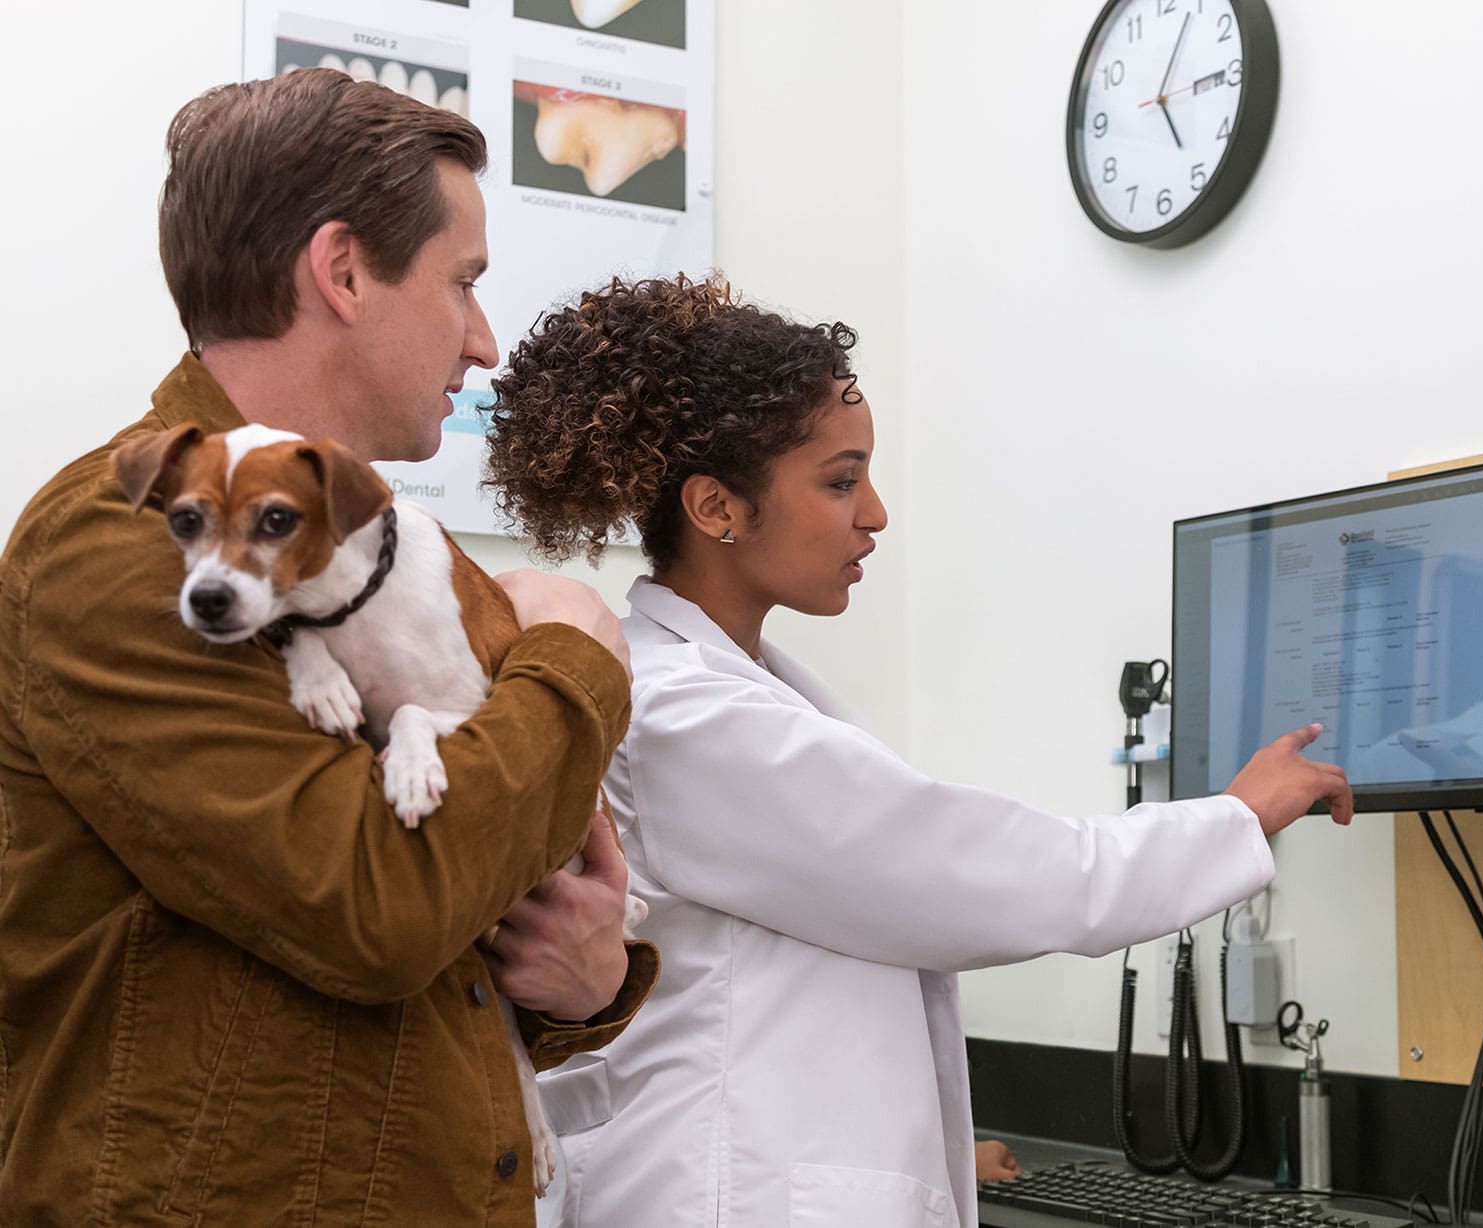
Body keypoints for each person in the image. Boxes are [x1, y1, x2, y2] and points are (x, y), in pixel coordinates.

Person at [482, 273, 1353, 1228]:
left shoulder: (734, 692)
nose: (875, 515)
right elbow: (994, 875)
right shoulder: (684, 717)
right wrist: (1239, 815)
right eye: (839, 480)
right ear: (716, 506)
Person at [0, 70, 657, 1226]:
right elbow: (373, 902)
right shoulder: (125, 543)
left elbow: (493, 877)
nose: (487, 342)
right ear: (344, 270)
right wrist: (574, 660)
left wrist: (584, 979)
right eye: (462, 284)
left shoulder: (403, 551)